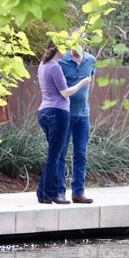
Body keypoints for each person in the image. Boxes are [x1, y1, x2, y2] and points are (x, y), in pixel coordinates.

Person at [37, 41, 92, 204]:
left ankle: (48, 193)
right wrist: (82, 83)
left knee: (73, 154)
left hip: (78, 114)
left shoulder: (44, 64)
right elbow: (65, 92)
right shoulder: (56, 65)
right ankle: (55, 193)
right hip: (59, 112)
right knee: (57, 155)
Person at [57, 43, 97, 203]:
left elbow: (91, 84)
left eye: (81, 42)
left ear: (85, 43)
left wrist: (83, 100)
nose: (77, 45)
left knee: (80, 154)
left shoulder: (91, 60)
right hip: (65, 114)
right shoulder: (61, 61)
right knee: (61, 153)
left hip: (83, 115)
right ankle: (60, 192)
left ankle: (78, 192)